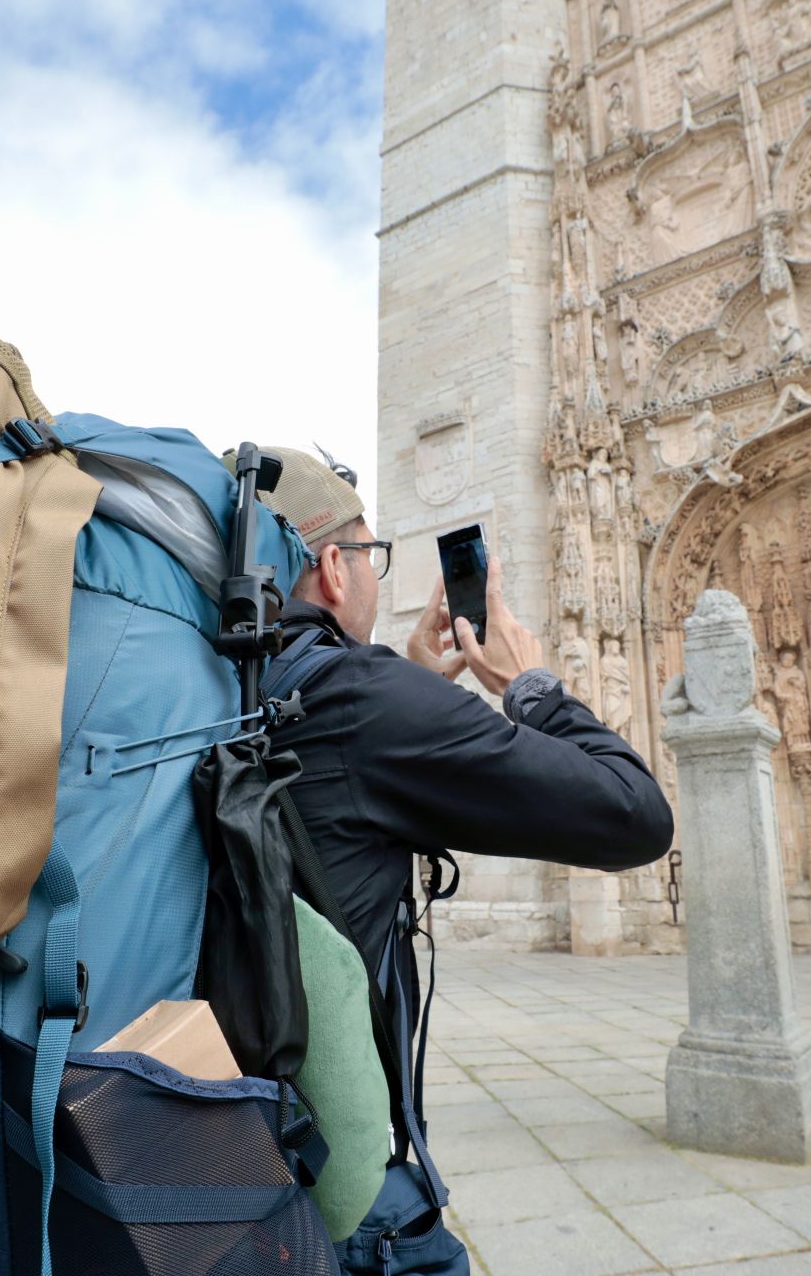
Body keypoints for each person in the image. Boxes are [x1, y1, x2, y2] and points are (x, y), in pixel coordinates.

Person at [248, 445, 673, 1271]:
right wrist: (531, 686)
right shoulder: (365, 701)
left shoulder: (222, 682)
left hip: (190, 1135)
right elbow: (634, 816)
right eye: (373, 557)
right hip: (328, 1177)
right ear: (334, 567)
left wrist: (404, 683)